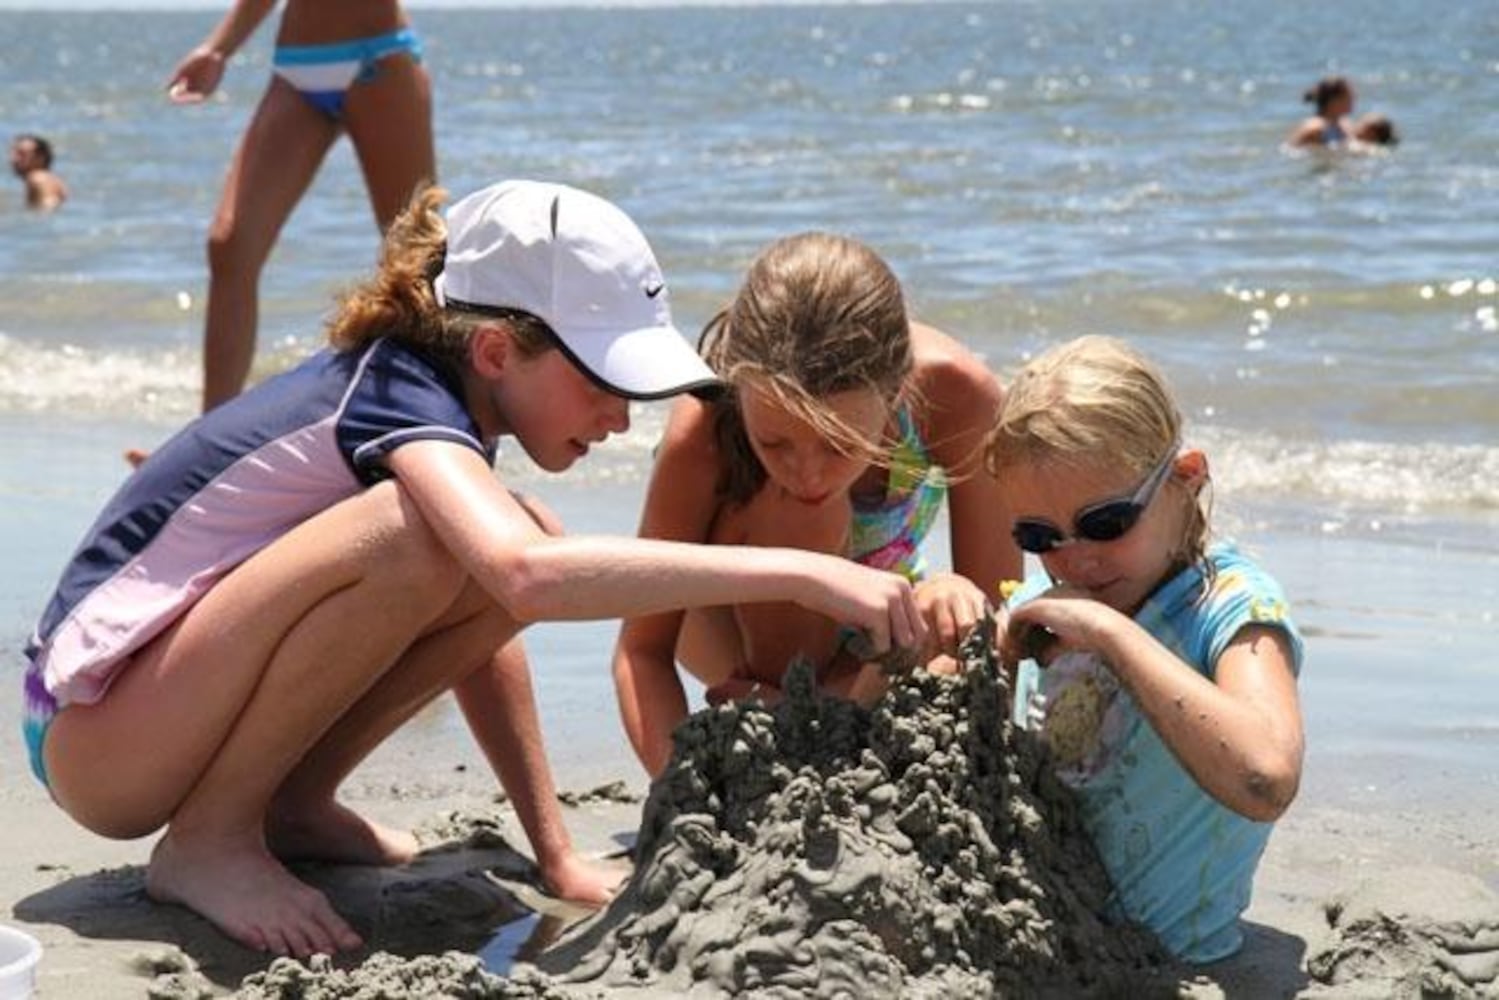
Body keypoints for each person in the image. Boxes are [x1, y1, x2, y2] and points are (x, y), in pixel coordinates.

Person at [22, 180, 926, 959]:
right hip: (95, 727)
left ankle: (289, 804)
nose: (620, 419)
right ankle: (211, 841)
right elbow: (527, 577)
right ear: (496, 350)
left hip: (153, 711)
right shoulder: (394, 396)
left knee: (492, 535)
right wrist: (805, 576)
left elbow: (495, 613)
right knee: (430, 537)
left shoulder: (444, 416)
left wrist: (555, 848)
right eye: (603, 382)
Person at [612, 231, 1021, 778]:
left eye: (839, 445)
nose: (806, 471)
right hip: (726, 617)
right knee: (804, 509)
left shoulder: (959, 396)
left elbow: (993, 620)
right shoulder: (705, 426)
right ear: (740, 391)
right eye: (774, 442)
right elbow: (641, 652)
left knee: (960, 621)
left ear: (898, 391)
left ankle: (821, 714)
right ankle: (802, 718)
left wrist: (946, 598)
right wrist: (682, 790)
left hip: (873, 608)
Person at [986, 335, 1305, 963]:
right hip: (1042, 939)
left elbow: (1267, 779)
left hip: (1173, 956)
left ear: (1184, 479)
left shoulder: (1232, 607)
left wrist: (1112, 635)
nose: (1075, 556)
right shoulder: (1043, 602)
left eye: (1105, 522)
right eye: (1039, 535)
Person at [168, 0, 435, 412]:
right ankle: (209, 447)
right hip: (296, 68)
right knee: (230, 245)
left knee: (416, 259)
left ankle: (445, 422)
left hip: (378, 59)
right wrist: (219, 49)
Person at [1286, 75, 1355, 148]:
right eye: (1349, 97)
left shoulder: (1344, 124)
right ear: (1334, 100)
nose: (1353, 100)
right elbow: (1290, 148)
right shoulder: (1314, 127)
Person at [10, 134, 68, 211]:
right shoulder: (52, 179)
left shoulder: (37, 179)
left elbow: (47, 210)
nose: (14, 159)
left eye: (22, 154)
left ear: (40, 158)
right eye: (14, 154)